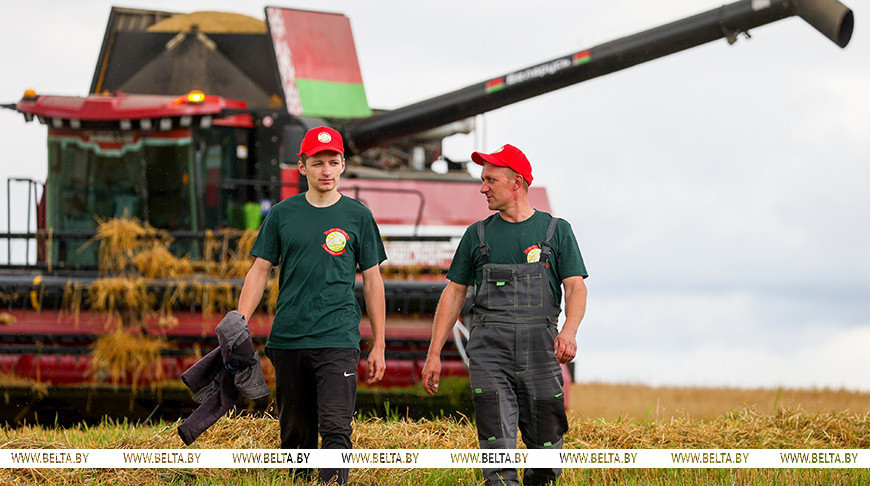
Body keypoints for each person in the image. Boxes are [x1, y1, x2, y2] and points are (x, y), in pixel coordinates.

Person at [421, 144, 588, 486]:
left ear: (516, 183)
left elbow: (575, 287)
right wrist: (434, 353)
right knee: (496, 445)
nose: (483, 188)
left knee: (546, 443)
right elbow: (453, 293)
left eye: (490, 180)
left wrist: (569, 331)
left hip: (541, 351)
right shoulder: (477, 235)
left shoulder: (555, 232)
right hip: (489, 353)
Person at [237, 126, 387, 485]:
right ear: (301, 166)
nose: (326, 170)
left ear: (342, 165)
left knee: (336, 428)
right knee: (295, 437)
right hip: (289, 339)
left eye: (333, 162)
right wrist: (238, 322)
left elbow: (373, 279)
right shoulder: (282, 214)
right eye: (317, 163)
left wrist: (379, 342)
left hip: (338, 338)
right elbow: (259, 271)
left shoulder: (358, 216)